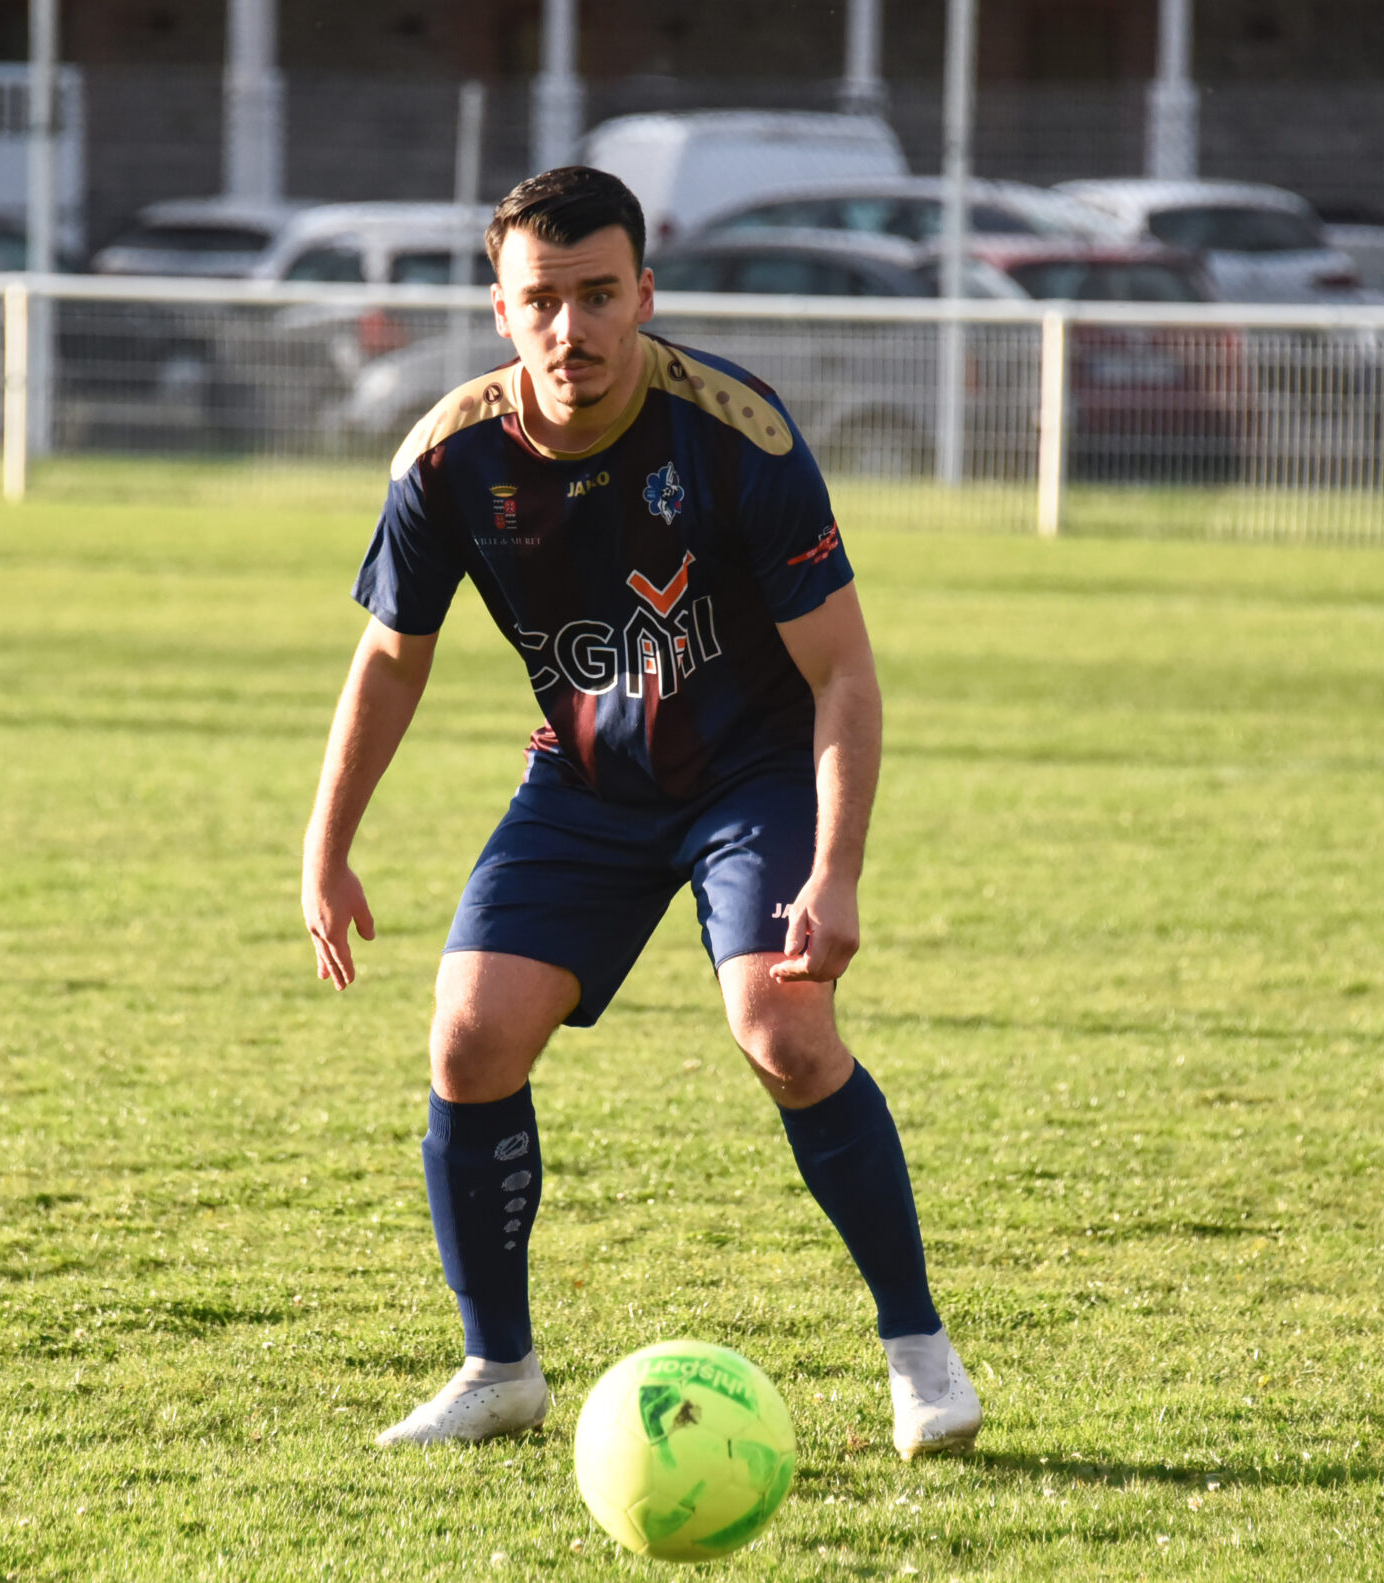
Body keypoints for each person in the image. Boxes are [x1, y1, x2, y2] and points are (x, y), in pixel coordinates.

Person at [299, 167, 981, 1459]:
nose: (574, 329)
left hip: (752, 776)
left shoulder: (737, 434)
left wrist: (834, 871)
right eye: (542, 301)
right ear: (501, 311)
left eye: (601, 295)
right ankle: (498, 1369)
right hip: (587, 780)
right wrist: (327, 849)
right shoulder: (448, 458)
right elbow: (390, 658)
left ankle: (920, 1358)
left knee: (785, 1030)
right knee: (469, 1041)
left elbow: (843, 674)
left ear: (646, 296)